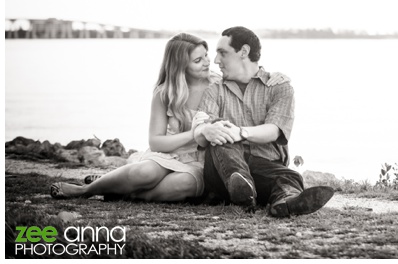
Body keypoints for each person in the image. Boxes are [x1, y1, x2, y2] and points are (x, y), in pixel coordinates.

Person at [50, 32, 289, 202]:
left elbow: (250, 74)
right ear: (179, 66)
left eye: (207, 55)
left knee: (181, 185)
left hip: (202, 160)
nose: (209, 62)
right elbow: (156, 142)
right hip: (168, 154)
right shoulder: (165, 93)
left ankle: (122, 192)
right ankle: (87, 190)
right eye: (198, 60)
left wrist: (275, 76)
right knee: (145, 173)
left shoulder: (220, 83)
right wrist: (195, 134)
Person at [192, 26, 334, 217]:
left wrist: (240, 132)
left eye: (222, 53)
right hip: (221, 173)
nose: (216, 60)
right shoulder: (214, 90)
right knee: (219, 127)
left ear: (244, 52)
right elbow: (201, 127)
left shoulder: (279, 87)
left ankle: (285, 202)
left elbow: (275, 130)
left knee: (289, 177)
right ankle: (242, 185)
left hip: (264, 169)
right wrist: (206, 130)